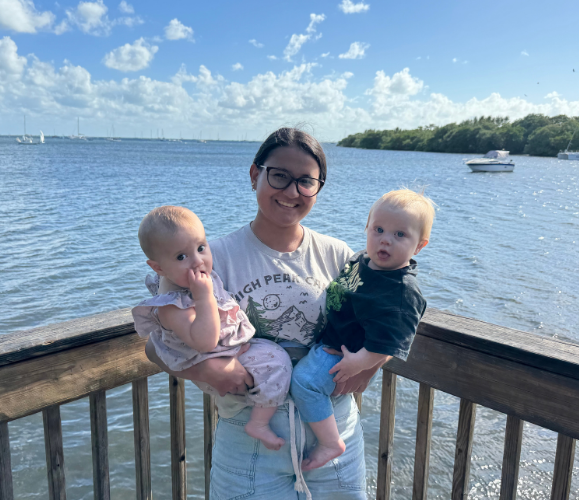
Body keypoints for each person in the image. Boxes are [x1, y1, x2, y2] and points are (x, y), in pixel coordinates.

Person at [145, 127, 381, 500]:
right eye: (279, 176)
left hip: (335, 434)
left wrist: (373, 364)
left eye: (306, 181)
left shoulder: (338, 255)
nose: (292, 191)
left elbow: (391, 314)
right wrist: (203, 370)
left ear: (319, 187)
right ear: (255, 174)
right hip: (247, 439)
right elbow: (155, 345)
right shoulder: (208, 258)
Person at [291, 189, 436, 470]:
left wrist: (360, 364)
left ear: (419, 246)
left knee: (305, 383)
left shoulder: (401, 291)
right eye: (378, 229)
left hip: (344, 355)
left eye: (400, 234)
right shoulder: (360, 261)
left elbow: (391, 340)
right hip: (330, 341)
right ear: (367, 228)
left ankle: (330, 442)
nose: (385, 239)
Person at [132, 206, 292, 450]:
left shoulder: (191, 279)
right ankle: (258, 423)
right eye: (181, 257)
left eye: (201, 248)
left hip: (226, 352)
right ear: (159, 268)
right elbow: (205, 342)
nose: (197, 261)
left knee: (275, 358)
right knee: (278, 362)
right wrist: (204, 297)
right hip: (212, 356)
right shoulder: (173, 304)